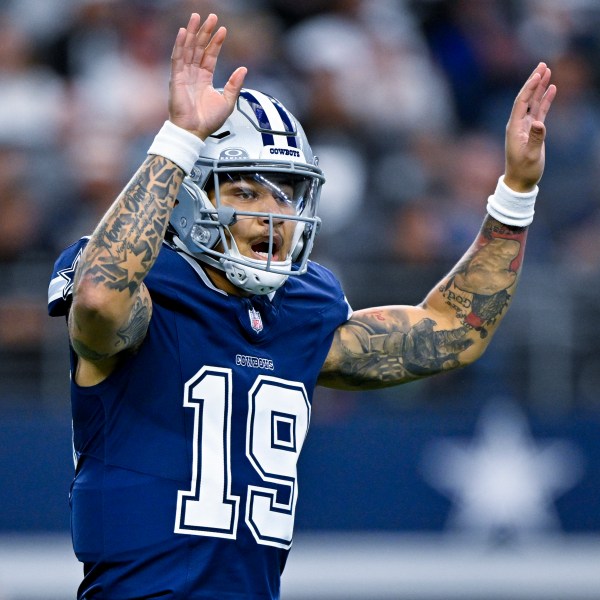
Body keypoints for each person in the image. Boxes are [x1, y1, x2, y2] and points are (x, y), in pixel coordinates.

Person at [47, 12, 556, 600]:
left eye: (287, 194)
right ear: (189, 199)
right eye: (245, 190)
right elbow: (99, 298)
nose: (274, 214)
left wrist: (516, 193)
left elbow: (451, 331)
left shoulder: (302, 307)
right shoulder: (141, 285)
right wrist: (179, 138)